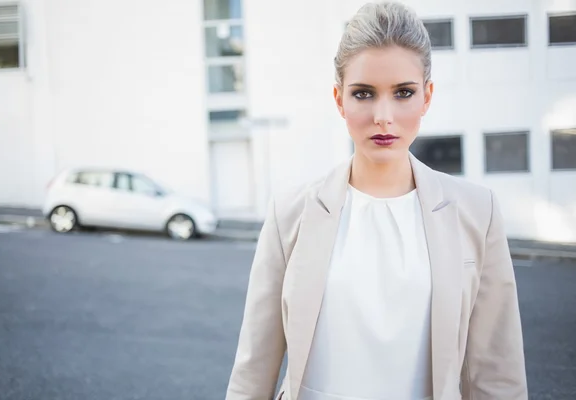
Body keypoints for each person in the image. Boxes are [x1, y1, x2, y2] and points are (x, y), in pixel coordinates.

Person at [225, 1, 528, 399]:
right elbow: (253, 369)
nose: (383, 116)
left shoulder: (477, 212)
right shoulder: (291, 213)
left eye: (403, 92)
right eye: (364, 93)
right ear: (339, 100)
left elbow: (497, 373)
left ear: (427, 97)